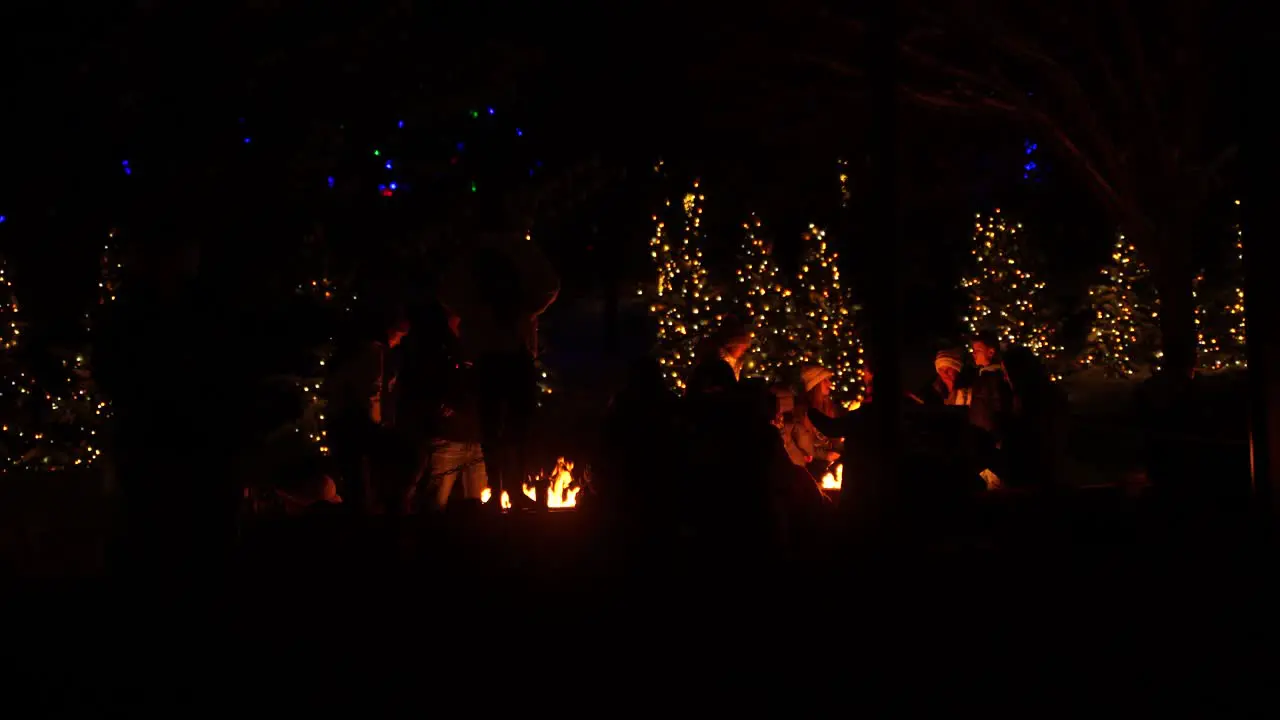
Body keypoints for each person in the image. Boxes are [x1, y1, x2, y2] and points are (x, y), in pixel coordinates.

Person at [438, 201, 559, 512]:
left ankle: (503, 490)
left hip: (489, 352)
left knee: (493, 427)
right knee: (514, 424)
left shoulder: (472, 254)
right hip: (510, 349)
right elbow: (549, 287)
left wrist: (474, 319)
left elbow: (448, 293)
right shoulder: (520, 251)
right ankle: (512, 490)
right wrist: (523, 312)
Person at [326, 307, 410, 514]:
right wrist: (377, 424)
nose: (399, 342)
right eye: (399, 336)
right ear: (389, 331)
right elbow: (371, 391)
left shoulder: (353, 352)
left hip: (344, 423)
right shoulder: (372, 352)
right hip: (356, 425)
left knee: (355, 481)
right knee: (362, 482)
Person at [417, 308, 488, 513]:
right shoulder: (438, 349)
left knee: (478, 504)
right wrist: (440, 406)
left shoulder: (479, 349)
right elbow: (424, 383)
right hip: (448, 437)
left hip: (476, 438)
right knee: (435, 504)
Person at [968, 331, 1015, 489]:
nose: (974, 355)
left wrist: (997, 437)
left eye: (978, 351)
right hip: (982, 439)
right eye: (973, 351)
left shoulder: (994, 379)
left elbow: (998, 407)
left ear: (991, 351)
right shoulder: (983, 377)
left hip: (990, 441)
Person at [791, 365, 844, 478]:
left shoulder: (830, 407)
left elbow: (835, 434)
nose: (830, 384)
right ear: (816, 384)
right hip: (812, 468)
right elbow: (805, 444)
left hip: (830, 465)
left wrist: (838, 450)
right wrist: (825, 455)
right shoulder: (802, 412)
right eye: (825, 380)